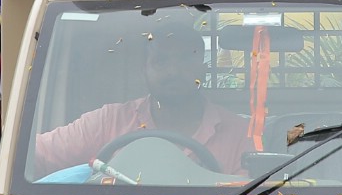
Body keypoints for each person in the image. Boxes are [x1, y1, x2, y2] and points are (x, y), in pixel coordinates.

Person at [31, 24, 247, 176]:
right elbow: (34, 155)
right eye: (160, 61)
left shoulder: (239, 133)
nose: (173, 71)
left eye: (186, 59)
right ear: (144, 70)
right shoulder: (109, 121)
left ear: (204, 68)